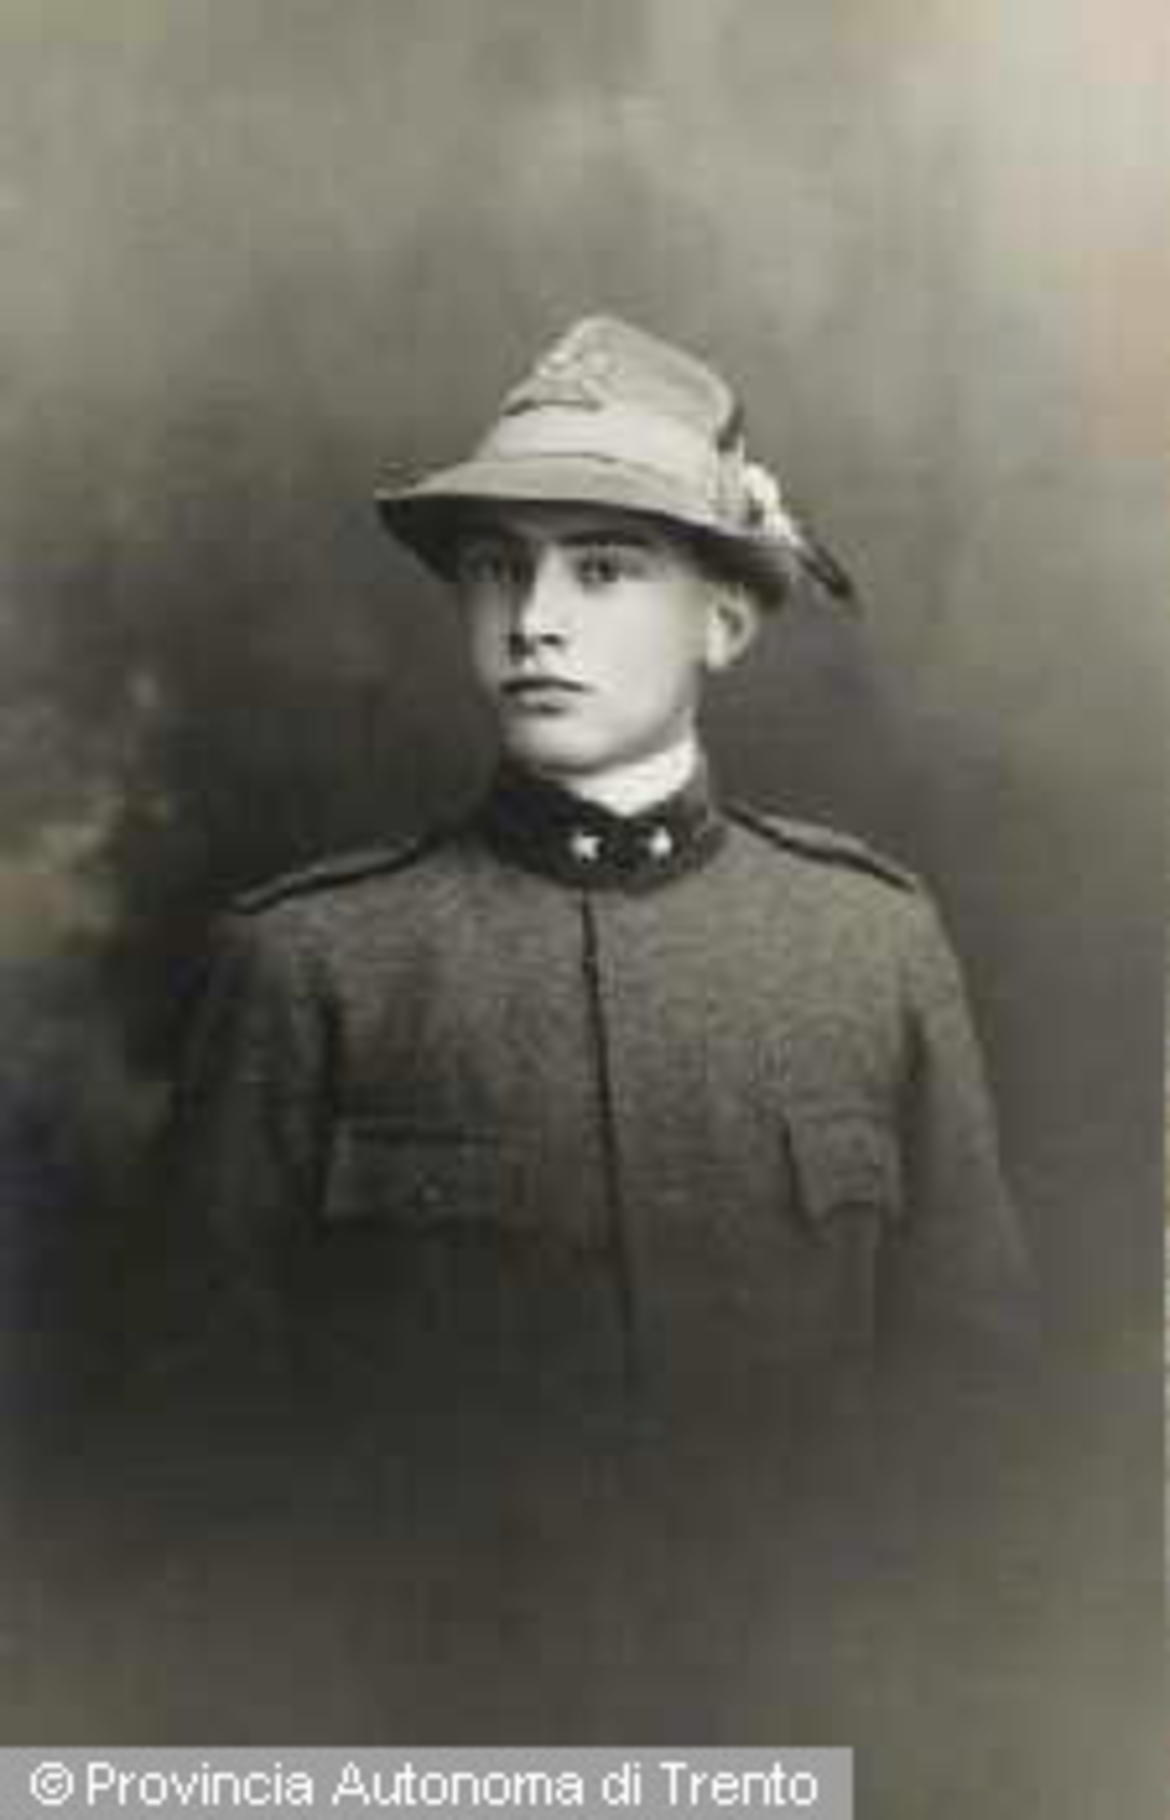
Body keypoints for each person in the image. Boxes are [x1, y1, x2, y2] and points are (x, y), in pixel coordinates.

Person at [168, 316, 1035, 1739]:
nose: (534, 618)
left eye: (604, 567)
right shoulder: (309, 961)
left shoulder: (872, 944)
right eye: (494, 567)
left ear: (724, 621)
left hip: (807, 1736)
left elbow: (977, 1420)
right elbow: (186, 1467)